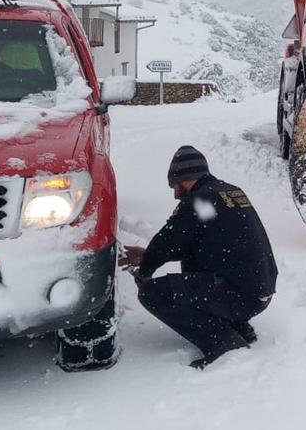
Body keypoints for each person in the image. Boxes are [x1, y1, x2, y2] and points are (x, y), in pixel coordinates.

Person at [119, 145, 278, 369]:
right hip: (260, 292)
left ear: (183, 179)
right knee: (193, 261)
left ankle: (223, 343)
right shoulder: (228, 192)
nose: (175, 194)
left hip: (240, 295)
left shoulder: (199, 201)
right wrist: (148, 256)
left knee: (151, 293)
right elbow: (199, 242)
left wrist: (145, 271)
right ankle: (237, 325)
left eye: (174, 185)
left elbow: (169, 240)